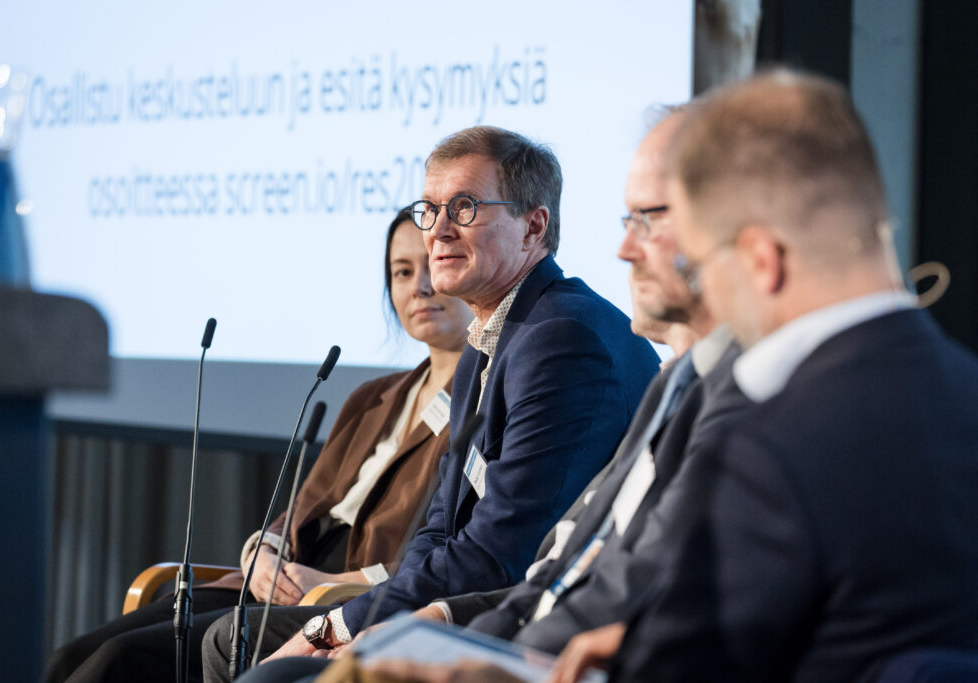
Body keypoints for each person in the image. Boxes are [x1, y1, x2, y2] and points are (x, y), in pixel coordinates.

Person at [226, 109, 740, 683]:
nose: (438, 230)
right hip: (480, 611)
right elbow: (439, 524)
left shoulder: (561, 338)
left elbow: (505, 551)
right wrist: (375, 622)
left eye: (465, 208)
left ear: (533, 227)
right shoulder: (488, 339)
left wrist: (349, 626)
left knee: (252, 660)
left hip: (525, 633)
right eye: (429, 210)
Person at [609, 68, 978, 681]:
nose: (707, 290)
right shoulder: (965, 390)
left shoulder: (762, 453)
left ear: (762, 261)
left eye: (700, 264)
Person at [43, 208, 475, 683]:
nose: (420, 287)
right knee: (71, 656)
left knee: (119, 661)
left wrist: (334, 583)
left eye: (432, 266)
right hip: (273, 583)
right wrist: (262, 553)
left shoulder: (480, 406)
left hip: (343, 599)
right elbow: (301, 509)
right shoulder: (372, 397)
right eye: (402, 272)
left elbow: (456, 553)